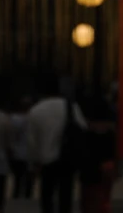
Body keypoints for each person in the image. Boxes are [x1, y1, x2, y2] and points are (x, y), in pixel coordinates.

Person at [27, 75, 87, 213]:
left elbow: (32, 140)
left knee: (47, 192)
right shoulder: (71, 107)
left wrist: (33, 162)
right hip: (68, 156)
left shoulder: (36, 111)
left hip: (46, 158)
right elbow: (82, 128)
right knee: (66, 192)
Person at [79, 98, 116, 213]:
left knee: (90, 201)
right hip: (105, 169)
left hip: (90, 171)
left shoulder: (86, 134)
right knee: (103, 200)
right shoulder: (110, 134)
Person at [9, 96, 33, 199]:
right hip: (27, 153)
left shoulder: (13, 119)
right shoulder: (32, 118)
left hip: (18, 153)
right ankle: (26, 197)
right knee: (28, 179)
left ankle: (17, 197)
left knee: (18, 179)